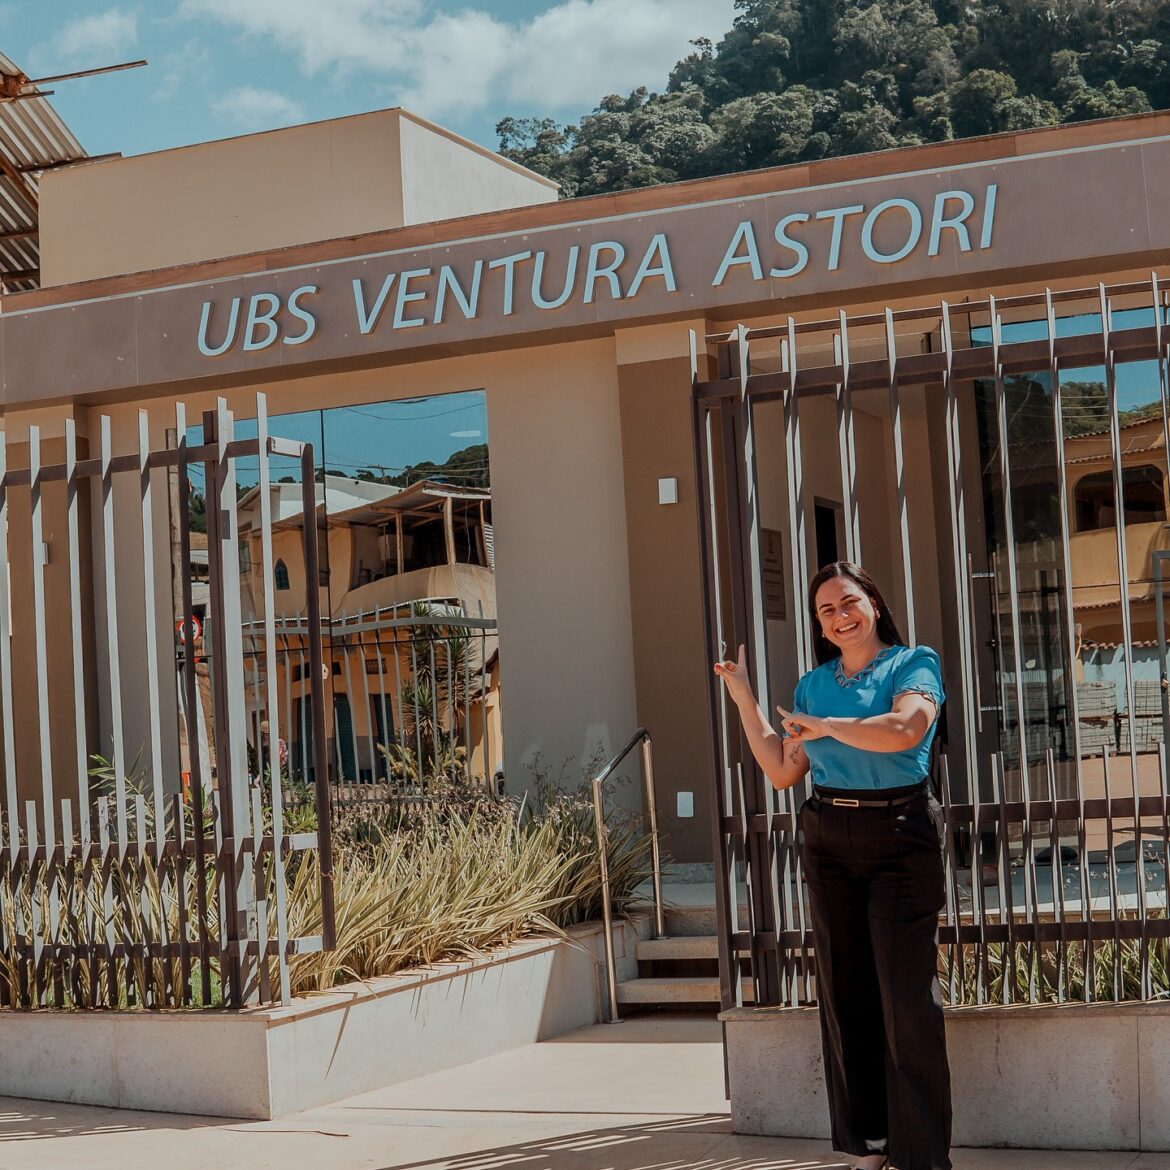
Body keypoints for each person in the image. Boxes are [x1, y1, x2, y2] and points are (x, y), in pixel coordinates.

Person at [714, 560, 951, 1170]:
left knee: (906, 1000)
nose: (840, 617)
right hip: (828, 837)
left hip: (901, 834)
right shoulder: (812, 685)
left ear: (872, 602)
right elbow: (783, 770)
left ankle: (921, 1156)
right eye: (826, 610)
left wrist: (829, 728)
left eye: (849, 603)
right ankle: (867, 1144)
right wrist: (744, 696)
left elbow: (904, 730)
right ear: (819, 625)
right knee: (846, 997)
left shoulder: (913, 663)